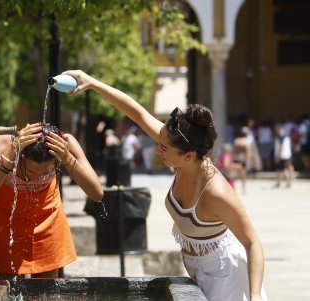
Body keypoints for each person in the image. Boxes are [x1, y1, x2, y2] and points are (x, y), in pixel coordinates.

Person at [63, 70, 267, 301]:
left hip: (227, 276)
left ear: (189, 156)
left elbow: (253, 244)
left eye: (164, 149)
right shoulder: (179, 148)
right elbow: (137, 113)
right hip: (197, 270)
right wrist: (92, 83)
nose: (158, 151)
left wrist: (255, 296)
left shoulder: (216, 192)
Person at [0, 122, 103, 279]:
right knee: (9, 290)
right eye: (30, 171)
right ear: (21, 156)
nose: (36, 178)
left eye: (45, 172)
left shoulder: (64, 145)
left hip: (47, 225)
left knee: (45, 292)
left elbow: (97, 194)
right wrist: (9, 156)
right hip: (6, 226)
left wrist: (68, 159)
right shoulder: (3, 144)